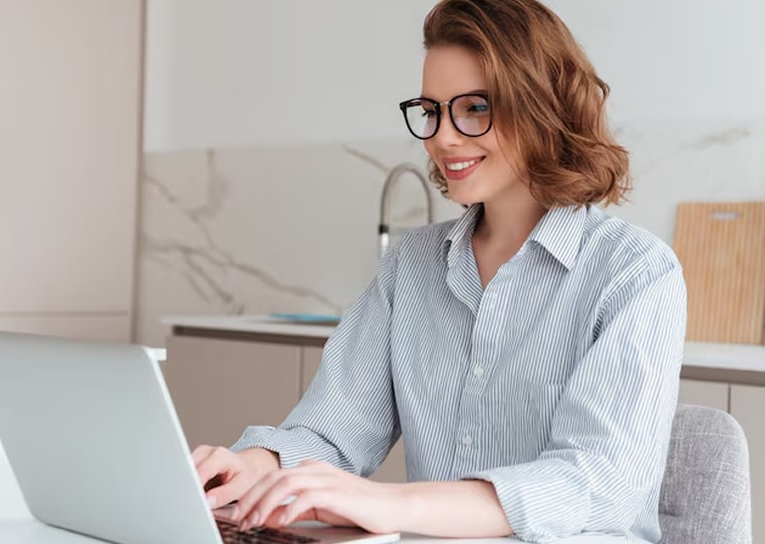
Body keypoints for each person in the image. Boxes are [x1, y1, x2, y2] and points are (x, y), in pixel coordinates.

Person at [192, 0, 686, 542]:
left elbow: (593, 485)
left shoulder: (635, 273)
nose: (443, 137)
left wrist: (391, 503)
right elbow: (332, 432)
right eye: (432, 110)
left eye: (475, 108)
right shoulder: (412, 265)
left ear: (544, 108)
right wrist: (259, 465)